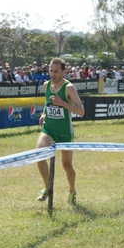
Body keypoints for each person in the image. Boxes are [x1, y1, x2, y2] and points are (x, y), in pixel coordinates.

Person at [36, 57, 85, 205]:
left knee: (67, 165)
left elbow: (81, 111)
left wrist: (62, 103)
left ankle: (72, 191)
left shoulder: (69, 88)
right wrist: (44, 113)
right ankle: (47, 187)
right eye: (51, 71)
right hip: (49, 128)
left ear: (64, 71)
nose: (53, 74)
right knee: (39, 154)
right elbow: (47, 102)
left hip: (64, 131)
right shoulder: (46, 85)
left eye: (56, 71)